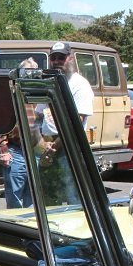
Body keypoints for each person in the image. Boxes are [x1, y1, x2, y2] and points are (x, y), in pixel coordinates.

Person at [33, 42, 92, 205]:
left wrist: (54, 146)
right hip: (48, 146)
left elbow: (76, 122)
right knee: (48, 199)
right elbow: (38, 116)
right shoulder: (49, 83)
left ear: (70, 59)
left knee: (74, 196)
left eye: (61, 58)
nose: (57, 61)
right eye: (54, 58)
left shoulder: (80, 84)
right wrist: (41, 143)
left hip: (70, 147)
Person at [0, 57, 39, 209]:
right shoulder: (12, 94)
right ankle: (15, 222)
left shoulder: (38, 94)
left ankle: (32, 223)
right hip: (16, 151)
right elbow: (1, 124)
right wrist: (3, 150)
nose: (32, 75)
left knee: (34, 197)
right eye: (28, 72)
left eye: (34, 72)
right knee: (14, 197)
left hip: (35, 151)